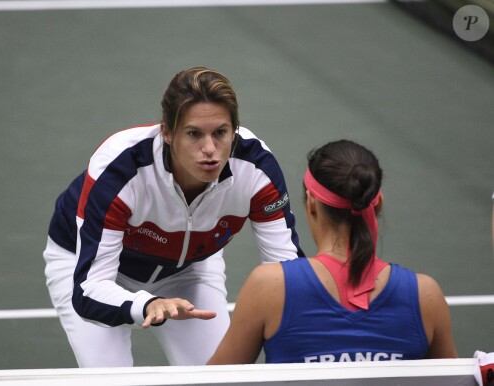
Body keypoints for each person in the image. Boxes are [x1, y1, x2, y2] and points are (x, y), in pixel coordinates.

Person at [43, 66, 305, 367]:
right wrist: (148, 304)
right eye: (194, 134)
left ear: (234, 129)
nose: (210, 150)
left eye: (221, 133)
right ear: (167, 132)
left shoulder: (257, 169)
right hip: (90, 267)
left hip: (187, 271)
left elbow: (287, 274)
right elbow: (89, 290)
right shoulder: (119, 169)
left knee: (220, 379)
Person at [207, 139, 457, 365]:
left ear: (311, 203)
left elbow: (213, 384)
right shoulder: (426, 296)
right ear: (378, 203)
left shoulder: (269, 287)